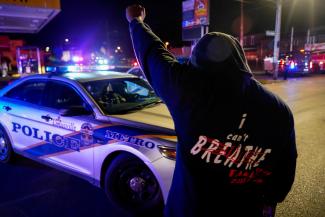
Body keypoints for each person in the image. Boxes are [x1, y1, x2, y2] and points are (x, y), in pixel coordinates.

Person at [126, 5, 297, 217]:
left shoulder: (187, 91)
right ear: (240, 60)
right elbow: (286, 164)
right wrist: (272, 200)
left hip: (190, 209)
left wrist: (136, 21)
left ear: (197, 62)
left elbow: (154, 55)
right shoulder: (278, 110)